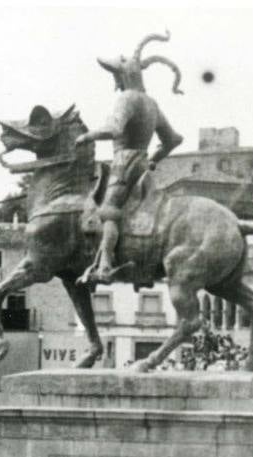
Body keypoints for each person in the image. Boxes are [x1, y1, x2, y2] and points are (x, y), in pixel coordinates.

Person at [75, 31, 184, 284]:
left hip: (123, 164)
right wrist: (155, 158)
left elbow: (114, 129)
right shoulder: (151, 104)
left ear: (122, 76)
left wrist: (87, 137)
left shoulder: (127, 99)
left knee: (109, 212)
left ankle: (104, 265)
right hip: (143, 164)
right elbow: (173, 139)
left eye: (115, 76)